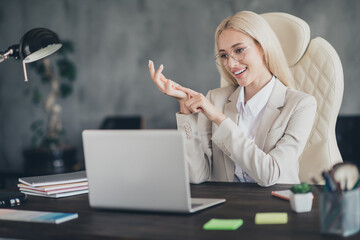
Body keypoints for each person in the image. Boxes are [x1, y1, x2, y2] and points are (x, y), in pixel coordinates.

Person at [148, 11, 317, 187]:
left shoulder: (301, 105)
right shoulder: (215, 99)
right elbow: (197, 176)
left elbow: (269, 174)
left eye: (239, 50)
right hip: (228, 205)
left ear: (262, 47)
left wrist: (219, 119)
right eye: (224, 55)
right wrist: (185, 111)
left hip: (275, 207)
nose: (230, 63)